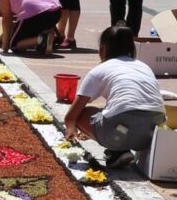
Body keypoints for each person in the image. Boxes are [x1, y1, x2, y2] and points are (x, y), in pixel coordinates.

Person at [64, 24, 166, 168]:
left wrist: (72, 131)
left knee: (83, 114)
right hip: (151, 135)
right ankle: (120, 151)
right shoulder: (144, 66)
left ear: (103, 48)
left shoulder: (100, 70)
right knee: (114, 110)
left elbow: (71, 117)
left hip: (120, 131)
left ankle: (118, 150)